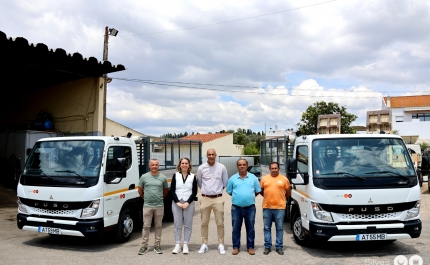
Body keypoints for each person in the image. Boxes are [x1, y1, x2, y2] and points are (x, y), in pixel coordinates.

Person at [197, 148, 229, 255]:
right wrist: (207, 192)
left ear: (216, 155)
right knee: (204, 222)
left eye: (213, 154)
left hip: (218, 198)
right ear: (206, 155)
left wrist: (217, 191)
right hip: (205, 198)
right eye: (209, 154)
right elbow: (200, 183)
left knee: (220, 223)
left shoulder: (222, 167)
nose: (211, 156)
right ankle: (204, 244)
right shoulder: (201, 168)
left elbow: (225, 182)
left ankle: (220, 244)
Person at [226, 159, 261, 255]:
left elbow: (258, 191)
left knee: (250, 228)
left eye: (244, 165)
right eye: (240, 165)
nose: (242, 166)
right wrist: (239, 198)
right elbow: (229, 192)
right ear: (237, 166)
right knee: (236, 228)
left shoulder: (253, 178)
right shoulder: (232, 178)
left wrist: (248, 197)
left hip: (250, 208)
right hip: (236, 208)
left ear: (247, 165)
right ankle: (236, 247)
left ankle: (250, 247)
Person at [137, 158, 169, 255]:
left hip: (159, 205)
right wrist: (146, 198)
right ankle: (144, 246)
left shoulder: (163, 177)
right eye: (153, 165)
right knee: (146, 226)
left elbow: (165, 191)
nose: (154, 166)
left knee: (158, 226)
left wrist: (158, 198)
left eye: (156, 165)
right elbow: (140, 190)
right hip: (147, 205)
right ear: (149, 166)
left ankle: (157, 245)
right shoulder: (144, 177)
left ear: (158, 166)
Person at [260, 161, 291, 255]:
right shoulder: (264, 179)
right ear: (269, 169)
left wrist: (282, 199)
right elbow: (261, 191)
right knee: (266, 228)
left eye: (275, 168)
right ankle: (267, 246)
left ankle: (279, 247)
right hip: (267, 207)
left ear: (279, 169)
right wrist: (267, 197)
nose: (274, 170)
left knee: (279, 228)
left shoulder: (284, 179)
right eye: (272, 168)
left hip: (280, 208)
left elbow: (288, 192)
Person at [169, 157, 198, 254]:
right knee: (177, 224)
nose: (184, 165)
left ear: (189, 165)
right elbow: (172, 189)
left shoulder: (193, 176)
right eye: (183, 163)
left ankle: (185, 244)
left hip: (188, 203)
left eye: (186, 163)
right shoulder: (175, 175)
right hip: (177, 202)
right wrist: (177, 202)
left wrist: (187, 203)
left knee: (188, 224)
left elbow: (194, 191)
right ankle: (177, 244)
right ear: (180, 165)